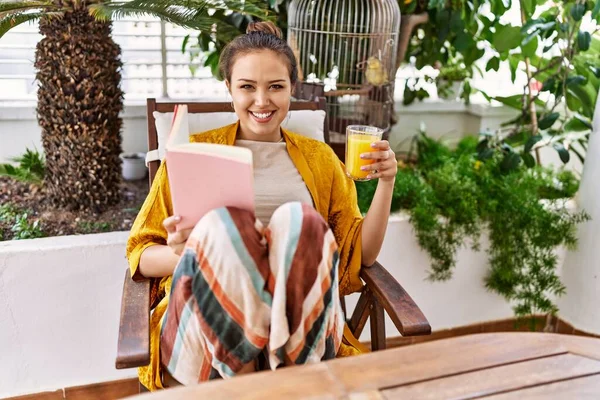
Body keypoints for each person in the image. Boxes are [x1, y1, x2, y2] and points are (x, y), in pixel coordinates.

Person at [126, 21, 398, 391]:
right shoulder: (191, 154)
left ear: (291, 89)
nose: (261, 101)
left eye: (275, 87)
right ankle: (251, 383)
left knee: (299, 221)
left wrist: (386, 182)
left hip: (300, 337)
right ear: (229, 90)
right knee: (226, 226)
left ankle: (278, 378)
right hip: (207, 335)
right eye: (247, 87)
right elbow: (141, 254)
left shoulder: (320, 160)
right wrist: (192, 253)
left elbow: (359, 254)